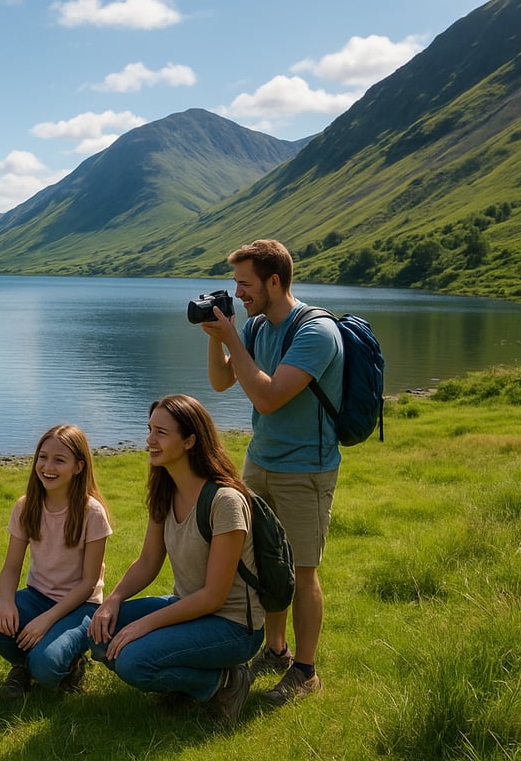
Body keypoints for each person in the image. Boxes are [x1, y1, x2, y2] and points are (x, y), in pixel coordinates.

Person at [199, 238, 343, 705]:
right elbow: (221, 381)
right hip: (260, 461)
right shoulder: (258, 326)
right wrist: (216, 337)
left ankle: (306, 672)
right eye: (235, 283)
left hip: (306, 469)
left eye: (244, 284)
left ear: (274, 282)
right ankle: (276, 651)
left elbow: (268, 397)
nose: (237, 293)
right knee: (266, 561)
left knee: (302, 570)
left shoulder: (316, 332)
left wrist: (231, 339)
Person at [88, 394, 264, 723]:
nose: (149, 440)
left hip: (233, 626)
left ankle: (226, 680)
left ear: (189, 441)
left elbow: (214, 597)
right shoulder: (167, 491)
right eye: (149, 430)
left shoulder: (225, 501)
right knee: (99, 636)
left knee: (133, 661)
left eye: (161, 433)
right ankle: (188, 680)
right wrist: (112, 600)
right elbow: (148, 561)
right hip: (187, 608)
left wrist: (144, 625)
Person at [0, 424, 112, 698]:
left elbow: (88, 583)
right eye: (42, 457)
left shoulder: (92, 512)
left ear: (78, 467)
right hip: (37, 596)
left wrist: (45, 621)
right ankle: (24, 665)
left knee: (46, 666)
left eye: (59, 460)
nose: (48, 466)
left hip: (81, 606)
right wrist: (7, 603)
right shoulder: (26, 506)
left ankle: (71, 662)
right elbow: (11, 567)